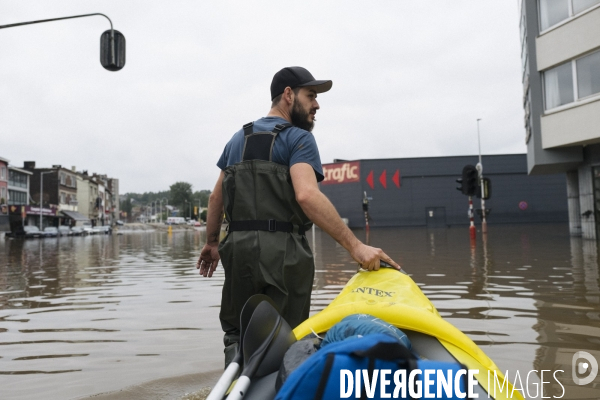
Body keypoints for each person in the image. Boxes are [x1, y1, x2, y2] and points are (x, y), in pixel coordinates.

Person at [196, 66, 400, 365]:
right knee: (287, 338)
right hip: (284, 254)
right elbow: (306, 195)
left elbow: (216, 197)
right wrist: (356, 247)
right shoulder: (298, 139)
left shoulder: (236, 140)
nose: (317, 105)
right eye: (311, 96)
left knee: (238, 336)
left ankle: (234, 384)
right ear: (288, 95)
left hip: (237, 251)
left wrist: (213, 243)